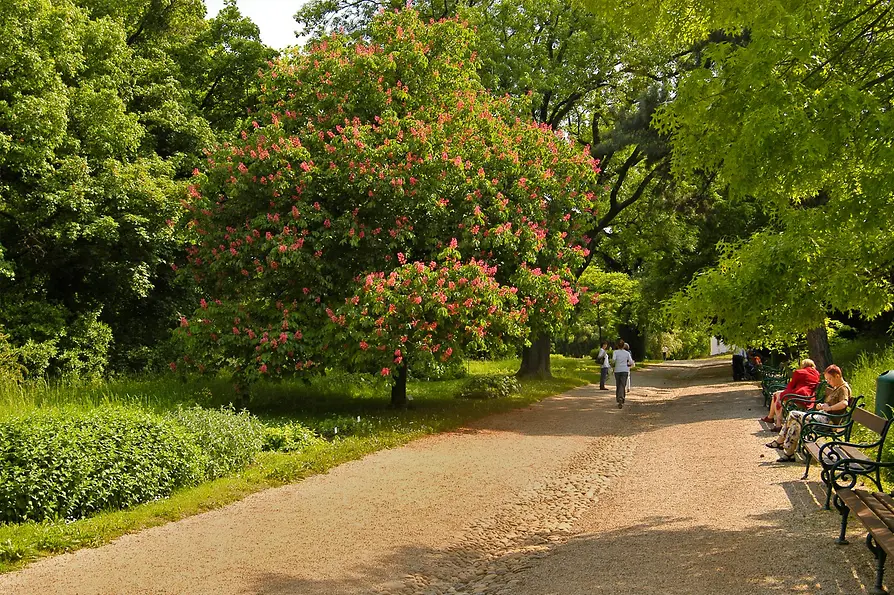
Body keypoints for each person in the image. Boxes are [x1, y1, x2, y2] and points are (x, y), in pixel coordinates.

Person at [767, 365, 851, 462]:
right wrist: (823, 405)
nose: (828, 381)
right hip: (823, 417)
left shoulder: (843, 388)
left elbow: (844, 403)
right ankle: (789, 454)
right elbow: (832, 403)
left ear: (837, 376)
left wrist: (829, 408)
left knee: (793, 414)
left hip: (828, 422)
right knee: (795, 424)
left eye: (830, 379)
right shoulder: (837, 387)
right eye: (827, 379)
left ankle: (780, 441)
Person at [759, 359, 820, 431]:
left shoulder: (799, 372)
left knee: (778, 396)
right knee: (776, 394)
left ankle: (778, 424)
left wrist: (785, 391)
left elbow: (791, 385)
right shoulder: (816, 373)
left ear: (803, 365)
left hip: (800, 394)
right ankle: (770, 417)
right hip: (810, 397)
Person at [612, 339, 634, 409]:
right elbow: (631, 362)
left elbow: (613, 360)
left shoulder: (615, 352)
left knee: (618, 384)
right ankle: (621, 398)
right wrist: (627, 364)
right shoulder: (627, 353)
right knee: (622, 384)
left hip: (617, 370)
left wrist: (613, 364)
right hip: (625, 370)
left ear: (617, 345)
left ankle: (619, 399)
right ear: (623, 345)